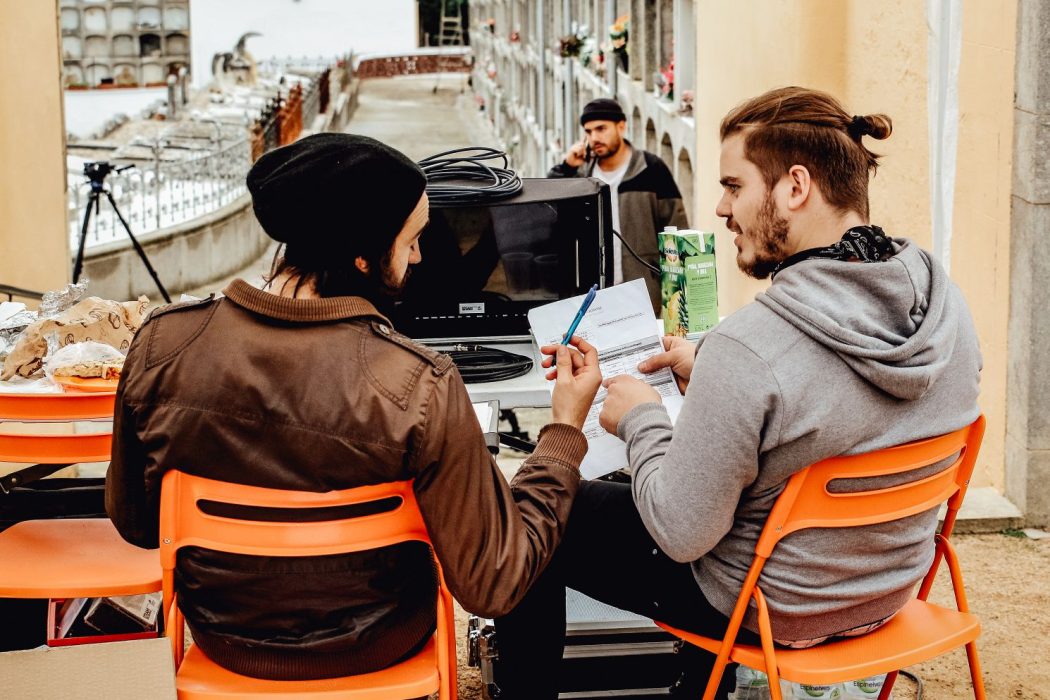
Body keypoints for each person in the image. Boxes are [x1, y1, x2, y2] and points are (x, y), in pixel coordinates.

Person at [495, 86, 982, 698]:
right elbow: (832, 402)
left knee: (532, 513)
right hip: (887, 589)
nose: (722, 209)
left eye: (734, 186)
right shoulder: (943, 305)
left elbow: (680, 533)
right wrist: (712, 372)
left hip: (769, 608)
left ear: (795, 187)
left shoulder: (750, 347)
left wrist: (642, 417)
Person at [105, 132, 603, 681]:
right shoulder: (420, 383)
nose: (419, 256)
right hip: (380, 644)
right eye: (411, 240)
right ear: (362, 258)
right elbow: (494, 584)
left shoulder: (161, 343)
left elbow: (136, 524)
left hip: (224, 641)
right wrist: (563, 432)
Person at [549, 97, 688, 307]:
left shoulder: (651, 169)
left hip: (644, 295)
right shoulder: (582, 176)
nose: (594, 137)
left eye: (601, 129)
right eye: (588, 132)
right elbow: (549, 207)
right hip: (594, 296)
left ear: (621, 127)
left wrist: (674, 297)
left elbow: (676, 232)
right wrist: (567, 167)